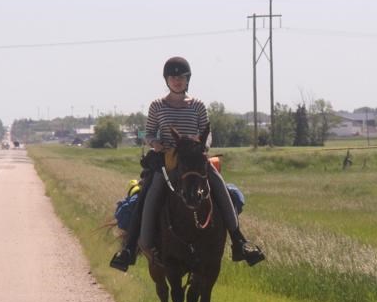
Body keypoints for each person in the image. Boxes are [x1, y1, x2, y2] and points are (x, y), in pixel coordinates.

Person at [110, 56, 265, 272]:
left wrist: (202, 146)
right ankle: (130, 249)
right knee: (148, 194)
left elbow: (207, 133)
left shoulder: (198, 105)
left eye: (181, 77)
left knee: (219, 187)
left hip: (194, 158)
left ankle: (240, 241)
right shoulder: (157, 105)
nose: (177, 81)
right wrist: (154, 143)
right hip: (168, 160)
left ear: (187, 80)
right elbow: (147, 132)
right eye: (173, 77)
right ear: (167, 80)